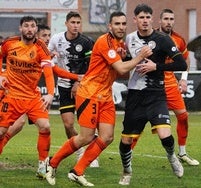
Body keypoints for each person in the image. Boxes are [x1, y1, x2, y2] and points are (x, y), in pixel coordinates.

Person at [45, 11, 152, 186]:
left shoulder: (119, 44)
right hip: (90, 93)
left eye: (123, 24)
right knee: (86, 137)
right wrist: (140, 57)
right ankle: (52, 162)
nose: (121, 27)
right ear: (110, 26)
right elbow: (121, 68)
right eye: (117, 24)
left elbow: (119, 71)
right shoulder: (104, 42)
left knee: (107, 137)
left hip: (105, 95)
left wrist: (129, 58)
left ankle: (77, 171)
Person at [0, 23, 82, 179]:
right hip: (11, 93)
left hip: (31, 96)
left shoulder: (42, 50)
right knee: (10, 128)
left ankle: (42, 166)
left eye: (48, 36)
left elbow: (52, 71)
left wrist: (72, 79)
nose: (47, 39)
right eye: (44, 36)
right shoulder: (17, 45)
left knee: (38, 126)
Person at [118, 4, 188, 186]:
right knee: (126, 140)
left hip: (156, 93)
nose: (144, 20)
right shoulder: (129, 39)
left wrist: (157, 66)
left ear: (152, 19)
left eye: (148, 17)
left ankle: (172, 157)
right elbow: (125, 63)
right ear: (135, 20)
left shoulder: (163, 39)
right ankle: (127, 170)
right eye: (141, 17)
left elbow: (182, 64)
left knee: (165, 134)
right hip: (135, 94)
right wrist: (124, 57)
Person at [131, 8, 199, 166]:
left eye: (171, 19)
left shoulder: (179, 40)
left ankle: (182, 153)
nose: (169, 22)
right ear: (159, 21)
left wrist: (183, 79)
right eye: (166, 19)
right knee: (140, 120)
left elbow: (185, 61)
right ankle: (129, 152)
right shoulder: (149, 36)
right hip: (152, 85)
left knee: (183, 116)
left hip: (170, 84)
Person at [0, 15, 54, 178]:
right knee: (1, 132)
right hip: (12, 96)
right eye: (26, 26)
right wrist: (1, 74)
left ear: (36, 29)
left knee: (45, 126)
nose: (29, 29)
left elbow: (49, 72)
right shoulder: (9, 43)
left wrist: (50, 93)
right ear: (20, 28)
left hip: (32, 97)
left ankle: (42, 167)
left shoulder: (41, 47)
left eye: (32, 26)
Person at [47, 11, 96, 164]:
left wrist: (78, 82)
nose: (75, 26)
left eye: (78, 23)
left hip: (84, 87)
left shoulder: (87, 42)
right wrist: (51, 56)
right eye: (73, 23)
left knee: (85, 125)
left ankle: (91, 154)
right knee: (68, 124)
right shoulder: (56, 39)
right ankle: (80, 150)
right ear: (66, 24)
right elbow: (47, 57)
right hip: (63, 85)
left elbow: (91, 65)